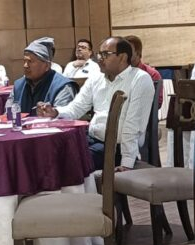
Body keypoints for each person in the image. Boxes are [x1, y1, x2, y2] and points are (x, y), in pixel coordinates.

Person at [36, 37, 154, 171]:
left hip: (115, 148)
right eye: (99, 54)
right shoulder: (96, 78)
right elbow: (77, 107)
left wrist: (127, 163)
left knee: (70, 162)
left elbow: (133, 126)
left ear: (122, 57)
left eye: (105, 54)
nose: (99, 59)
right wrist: (55, 112)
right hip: (91, 138)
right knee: (48, 151)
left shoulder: (140, 79)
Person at [11, 38, 78, 113]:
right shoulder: (18, 86)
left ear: (47, 66)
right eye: (24, 61)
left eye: (30, 61)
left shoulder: (63, 87)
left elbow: (62, 117)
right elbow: (8, 114)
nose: (25, 65)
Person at [124, 34, 163, 107]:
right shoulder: (119, 73)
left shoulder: (152, 74)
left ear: (138, 52)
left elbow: (158, 103)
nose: (124, 54)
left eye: (128, 50)